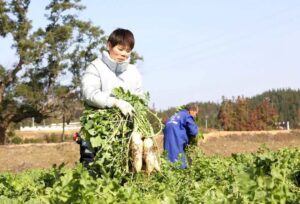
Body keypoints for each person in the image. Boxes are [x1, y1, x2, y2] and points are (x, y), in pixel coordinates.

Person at [79, 28, 143, 168]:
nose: (124, 54)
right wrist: (114, 102)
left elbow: (140, 98)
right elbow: (90, 93)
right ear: (109, 46)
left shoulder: (133, 72)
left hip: (125, 132)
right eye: (120, 49)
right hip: (96, 130)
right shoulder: (95, 67)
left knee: (125, 170)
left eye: (128, 51)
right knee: (92, 169)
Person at [163, 103, 199, 169]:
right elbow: (193, 131)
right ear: (191, 111)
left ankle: (168, 170)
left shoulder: (174, 115)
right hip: (175, 135)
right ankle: (181, 171)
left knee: (168, 156)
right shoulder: (187, 115)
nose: (195, 116)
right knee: (179, 158)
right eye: (196, 114)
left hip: (167, 134)